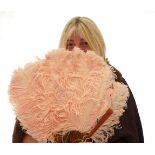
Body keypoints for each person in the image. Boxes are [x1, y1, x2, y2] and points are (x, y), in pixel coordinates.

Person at [11, 16, 144, 143]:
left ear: (96, 45)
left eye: (84, 44)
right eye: (70, 44)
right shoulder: (44, 81)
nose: (77, 50)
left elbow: (130, 138)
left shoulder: (115, 84)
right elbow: (25, 134)